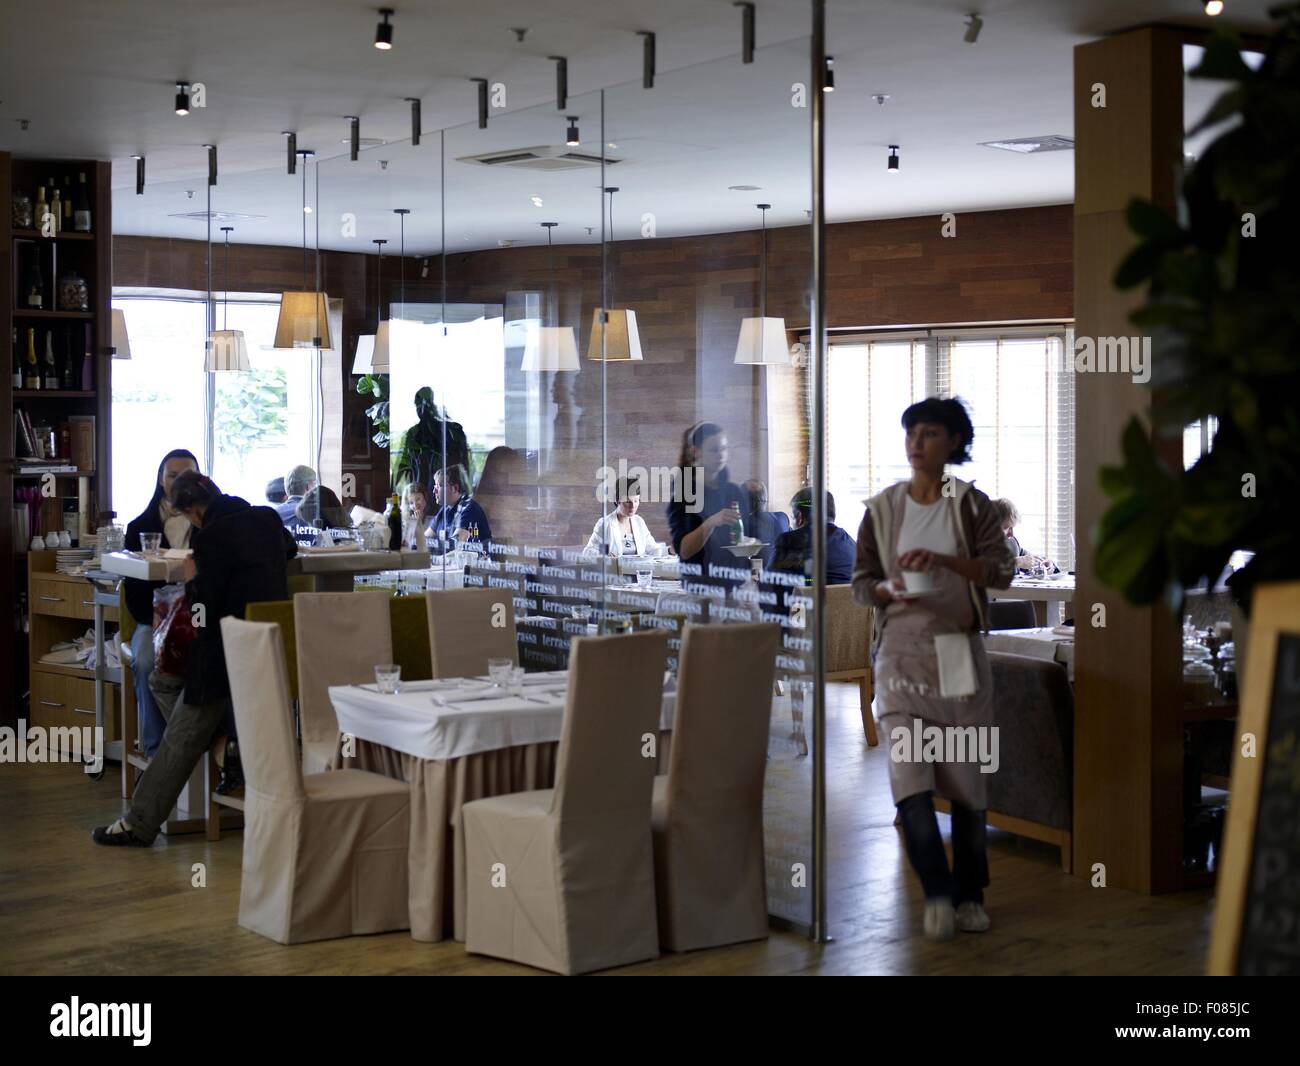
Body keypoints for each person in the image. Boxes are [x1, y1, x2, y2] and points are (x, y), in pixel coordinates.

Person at [851, 396, 1014, 940]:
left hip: (956, 651)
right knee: (908, 776)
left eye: (929, 433)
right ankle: (938, 891)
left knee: (966, 783)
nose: (917, 443)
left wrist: (943, 561)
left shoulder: (970, 505)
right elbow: (860, 584)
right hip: (900, 650)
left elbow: (1001, 572)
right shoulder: (883, 508)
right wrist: (886, 587)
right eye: (911, 433)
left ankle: (971, 895)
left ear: (955, 442)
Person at [92, 472, 298, 847]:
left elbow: (201, 615)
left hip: (226, 654)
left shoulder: (210, 539)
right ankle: (226, 745)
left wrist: (192, 581)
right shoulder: (268, 518)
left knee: (181, 732)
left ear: (193, 512)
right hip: (272, 651)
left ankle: (139, 823)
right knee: (165, 685)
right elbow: (290, 549)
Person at [122, 449, 200, 758]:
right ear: (160, 480)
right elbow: (134, 594)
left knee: (219, 657)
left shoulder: (212, 523)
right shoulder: (138, 527)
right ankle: (157, 752)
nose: (179, 482)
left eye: (187, 476)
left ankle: (206, 753)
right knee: (145, 660)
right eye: (172, 476)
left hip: (199, 615)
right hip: (152, 619)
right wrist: (160, 624)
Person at [666, 421, 745, 583]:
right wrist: (711, 522)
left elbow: (743, 540)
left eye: (724, 448)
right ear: (697, 452)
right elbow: (684, 551)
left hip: (734, 582)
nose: (720, 455)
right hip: (700, 584)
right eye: (714, 450)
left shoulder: (734, 491)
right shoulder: (685, 494)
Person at [770, 488, 856, 584]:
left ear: (799, 517)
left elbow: (768, 585)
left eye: (792, 517)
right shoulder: (853, 545)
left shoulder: (788, 541)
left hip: (806, 594)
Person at [395, 387, 470, 492]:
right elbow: (403, 463)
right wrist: (393, 488)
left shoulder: (452, 431)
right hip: (421, 492)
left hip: (446, 490)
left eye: (424, 405)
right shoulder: (414, 433)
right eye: (418, 405)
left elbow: (463, 465)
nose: (421, 409)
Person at [583, 476, 661, 557]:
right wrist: (606, 556)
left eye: (636, 501)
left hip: (638, 565)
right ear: (617, 501)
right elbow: (588, 552)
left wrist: (667, 550)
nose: (633, 506)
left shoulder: (639, 522)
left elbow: (654, 549)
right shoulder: (605, 524)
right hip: (615, 566)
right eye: (628, 501)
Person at [474, 445, 532, 545]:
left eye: (516, 472)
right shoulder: (483, 505)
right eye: (505, 473)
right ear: (493, 474)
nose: (512, 478)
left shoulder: (519, 499)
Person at [429, 463, 491, 553]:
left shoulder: (469, 508)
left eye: (439, 486)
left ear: (455, 488)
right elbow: (427, 537)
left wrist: (429, 545)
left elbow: (456, 544)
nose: (434, 491)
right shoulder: (445, 509)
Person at [990, 498, 1058, 572]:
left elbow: (1029, 559)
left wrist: (1046, 564)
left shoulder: (1012, 543)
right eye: (1007, 528)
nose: (1011, 534)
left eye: (1012, 528)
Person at [740, 479, 790, 568]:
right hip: (782, 574)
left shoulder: (744, 524)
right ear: (765, 499)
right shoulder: (782, 518)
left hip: (757, 574)